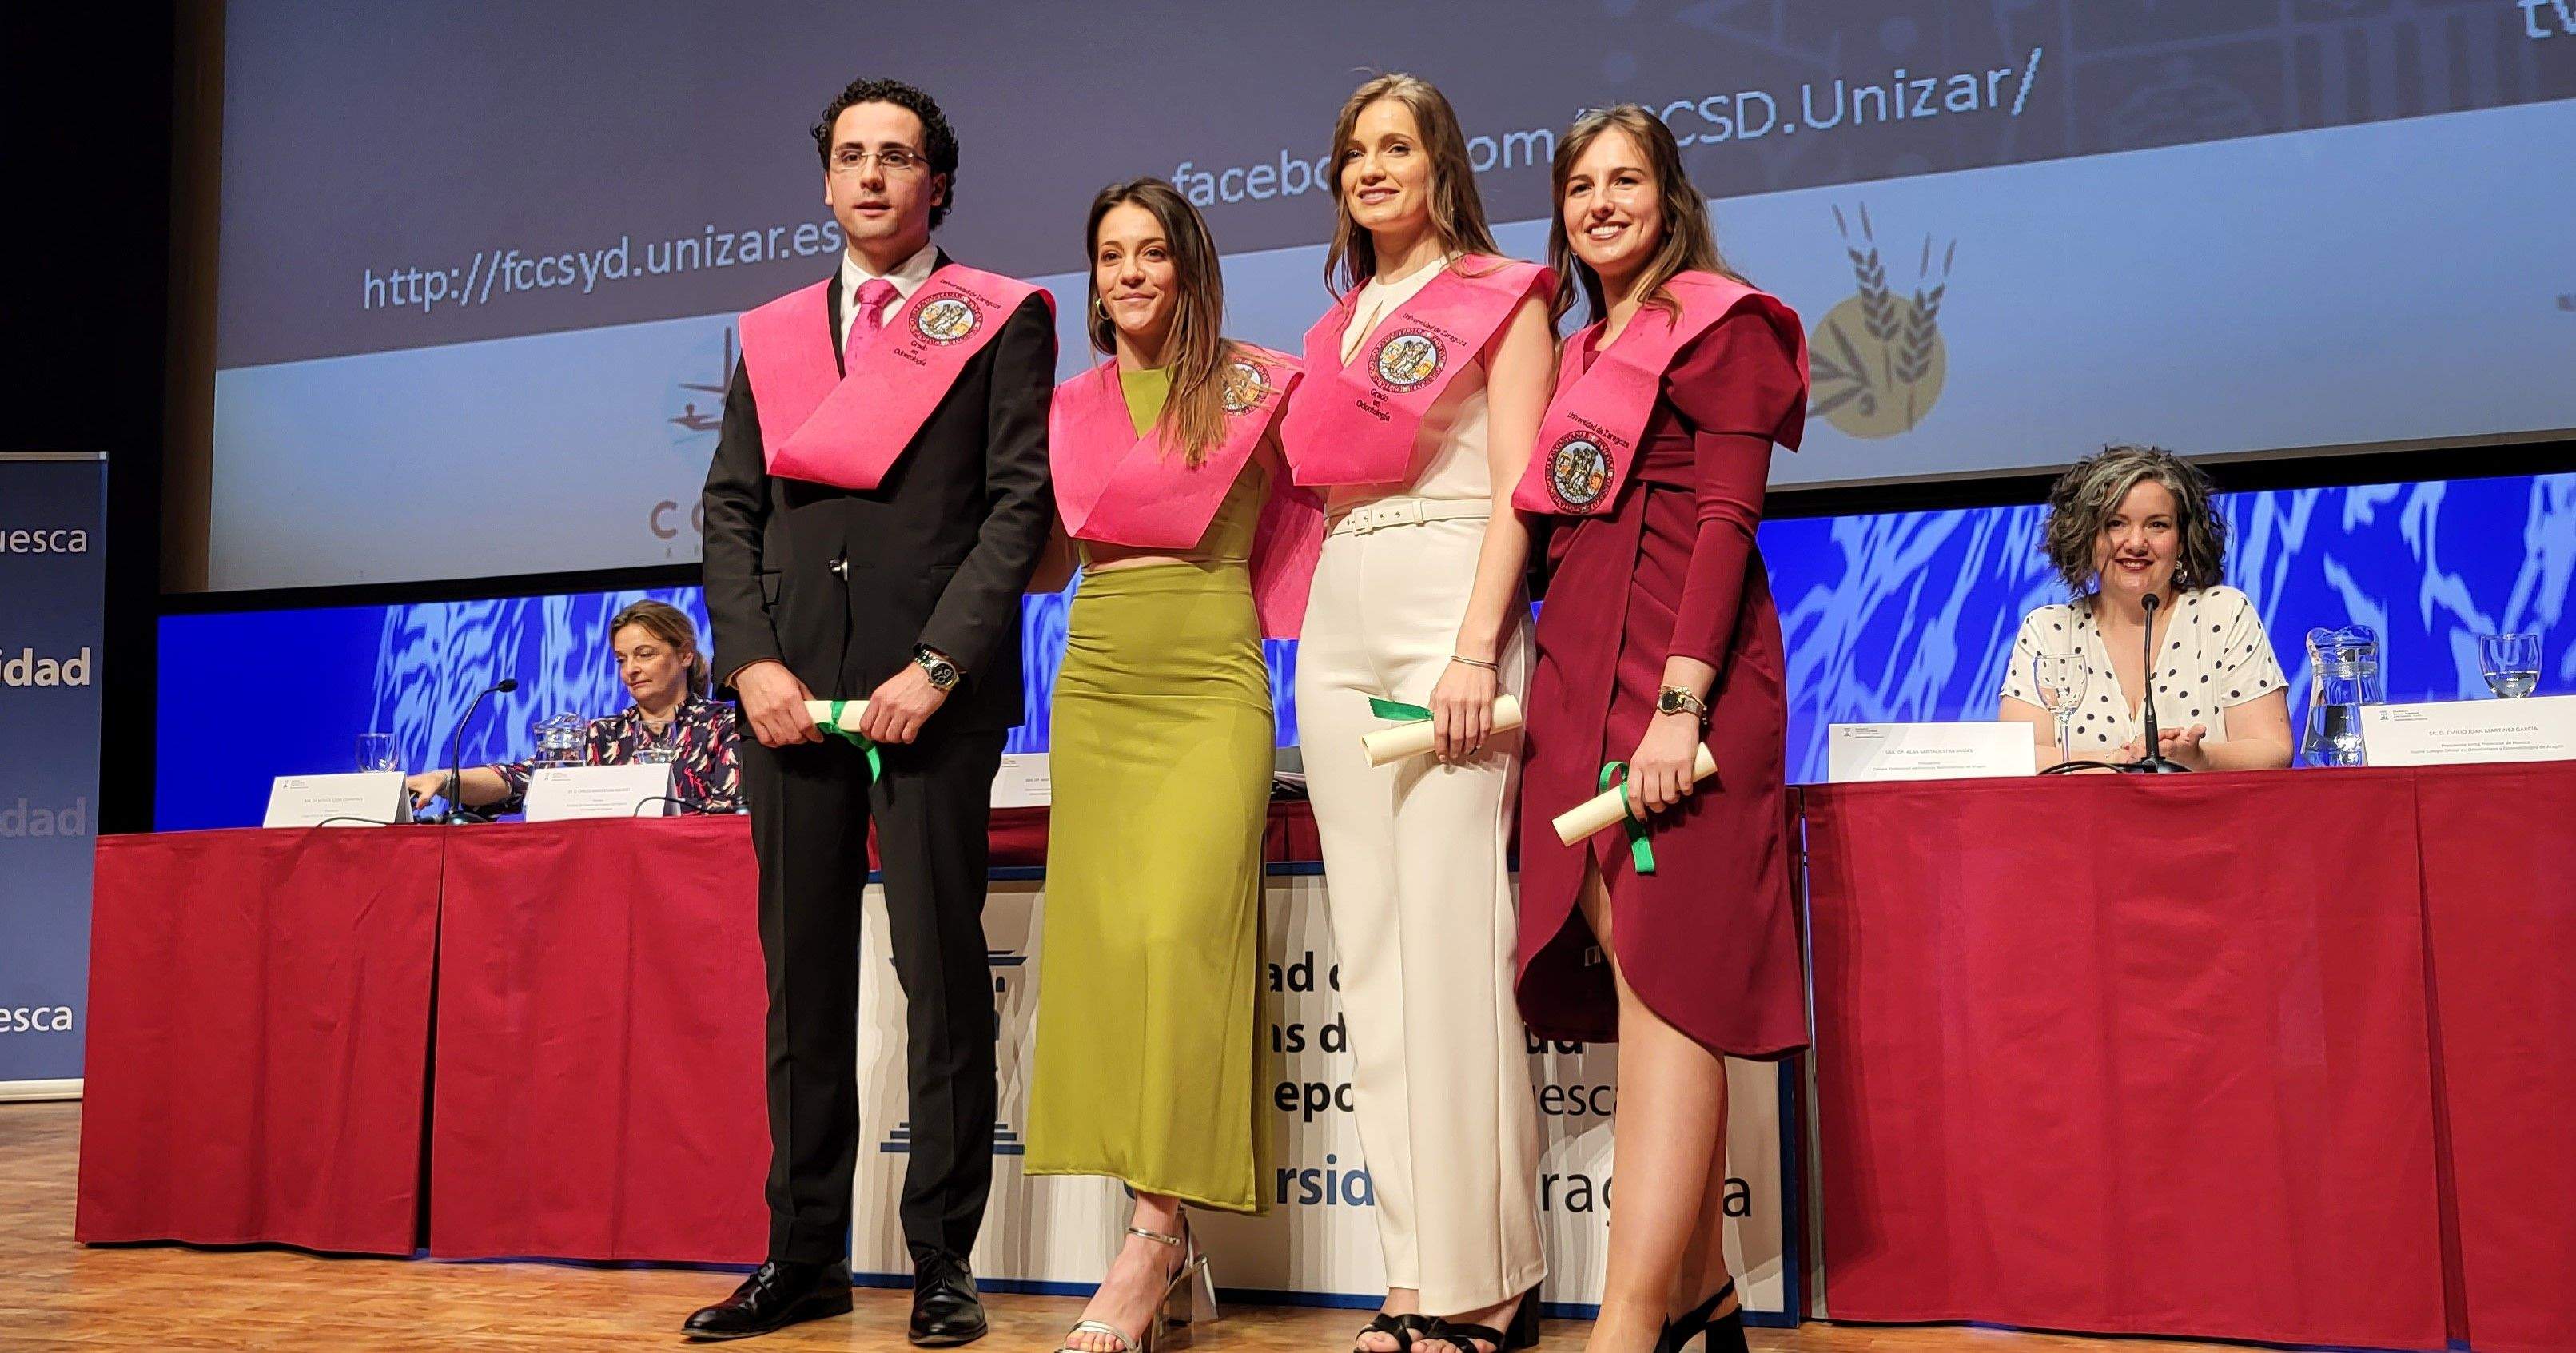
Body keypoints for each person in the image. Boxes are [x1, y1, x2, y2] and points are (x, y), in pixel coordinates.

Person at [688, 77, 1056, 1343]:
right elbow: (729, 510)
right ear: (825, 179)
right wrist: (749, 665)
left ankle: (942, 1263)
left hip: (929, 702)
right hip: (786, 700)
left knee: (941, 978)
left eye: (896, 158)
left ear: (935, 182)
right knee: (802, 989)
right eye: (850, 157)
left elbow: (1018, 508)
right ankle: (803, 1259)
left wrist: (939, 665)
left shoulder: (998, 319)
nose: (871, 177)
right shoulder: (774, 331)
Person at [1510, 106, 1810, 1353]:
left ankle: (1624, 1326)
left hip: (1680, 687)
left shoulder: (1720, 321)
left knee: (1670, 990)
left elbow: (1725, 525)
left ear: (1668, 192)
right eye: (1578, 184)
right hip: (1578, 678)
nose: (1599, 203)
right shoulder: (1575, 356)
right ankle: (1701, 1298)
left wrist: (1679, 707)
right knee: (1636, 976)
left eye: (1623, 178)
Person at [1276, 73, 1558, 1353]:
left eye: (1395, 146)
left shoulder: (1506, 297)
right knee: (1377, 959)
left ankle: (1487, 1276)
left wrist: (1474, 650)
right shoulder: (1339, 323)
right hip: (1338, 614)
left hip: (1451, 605)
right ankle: (1411, 1271)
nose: (1371, 169)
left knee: (1451, 951)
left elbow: (1516, 491)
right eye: (1352, 153)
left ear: (1442, 161)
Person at [1024, 177, 1321, 1353]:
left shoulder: (1259, 387)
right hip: (1097, 683)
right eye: (1109, 255)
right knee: (1111, 961)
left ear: (1188, 267)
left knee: (1181, 949)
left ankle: (1152, 1240)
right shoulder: (1066, 404)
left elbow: (1316, 521)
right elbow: (1048, 561)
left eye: (1151, 252)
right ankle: (1163, 1233)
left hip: (1211, 688)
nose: (1130, 273)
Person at [1999, 445, 2292, 770]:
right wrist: (2119, 761)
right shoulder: (2048, 631)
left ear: (2182, 541)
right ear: (2087, 537)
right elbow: (2015, 759)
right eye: (2116, 524)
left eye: (2157, 525)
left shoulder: (2223, 614)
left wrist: (2197, 758)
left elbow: (2273, 751)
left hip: (2205, 818)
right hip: (2079, 820)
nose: (2137, 543)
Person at [404, 599, 741, 816]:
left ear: (684, 655)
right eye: (622, 659)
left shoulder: (724, 727)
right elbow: (518, 778)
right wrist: (445, 778)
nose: (630, 670)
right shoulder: (601, 736)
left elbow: (727, 816)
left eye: (645, 654)